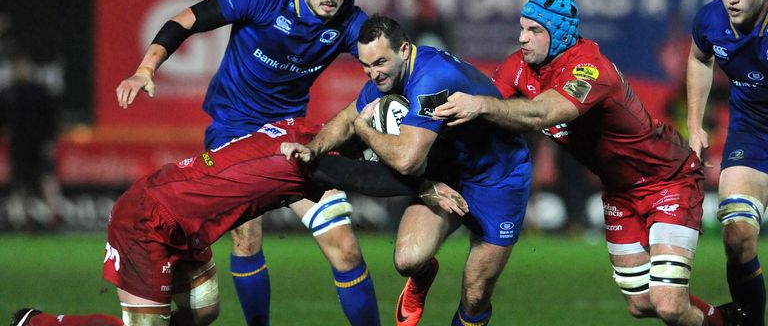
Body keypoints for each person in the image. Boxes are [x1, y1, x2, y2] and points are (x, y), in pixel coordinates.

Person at [432, 0, 742, 325]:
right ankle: (724, 319)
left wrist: (480, 105)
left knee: (667, 304)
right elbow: (483, 111)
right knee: (640, 304)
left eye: (535, 31)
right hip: (619, 192)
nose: (522, 38)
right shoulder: (519, 67)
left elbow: (542, 114)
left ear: (561, 34)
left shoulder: (590, 71)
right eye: (522, 28)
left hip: (666, 181)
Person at [114, 0, 378, 325]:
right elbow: (185, 20)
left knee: (345, 245)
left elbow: (384, 62)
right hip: (233, 129)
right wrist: (146, 68)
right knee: (246, 237)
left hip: (289, 134)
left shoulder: (349, 20)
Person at [11, 117, 467, 326]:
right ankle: (39, 324)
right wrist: (422, 186)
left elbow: (357, 168)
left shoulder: (303, 131)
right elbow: (360, 176)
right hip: (148, 220)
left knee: (205, 311)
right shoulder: (309, 157)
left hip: (186, 223)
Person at [282, 14, 532, 326]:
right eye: (366, 65)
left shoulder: (432, 78)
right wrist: (314, 148)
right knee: (408, 260)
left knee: (476, 292)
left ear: (403, 50)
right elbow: (348, 116)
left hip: (498, 177)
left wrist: (364, 129)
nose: (373, 74)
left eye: (380, 63)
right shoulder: (390, 76)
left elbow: (406, 161)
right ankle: (422, 278)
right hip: (449, 172)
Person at [687, 0, 768, 326]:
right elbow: (699, 58)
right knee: (736, 235)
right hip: (751, 135)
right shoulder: (710, 20)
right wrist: (694, 123)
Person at [0, 49, 61, 230]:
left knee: (46, 179)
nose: (20, 70)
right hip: (19, 144)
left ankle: (54, 216)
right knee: (20, 183)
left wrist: (50, 141)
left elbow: (51, 119)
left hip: (39, 143)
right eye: (16, 67)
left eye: (23, 66)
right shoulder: (8, 94)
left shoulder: (40, 92)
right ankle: (24, 219)